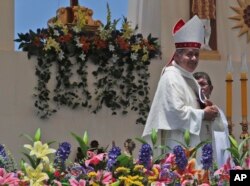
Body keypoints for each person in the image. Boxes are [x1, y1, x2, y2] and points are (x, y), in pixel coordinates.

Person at [142, 15, 225, 165]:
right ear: (178, 55)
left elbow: (193, 107)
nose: (194, 58)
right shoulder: (171, 77)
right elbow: (175, 113)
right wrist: (202, 114)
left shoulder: (188, 78)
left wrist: (206, 108)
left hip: (193, 144)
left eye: (197, 54)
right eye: (189, 54)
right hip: (178, 145)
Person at [193, 71, 231, 166]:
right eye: (196, 85)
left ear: (211, 89)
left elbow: (223, 141)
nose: (199, 88)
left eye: (202, 84)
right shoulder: (189, 111)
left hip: (216, 160)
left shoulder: (218, 112)